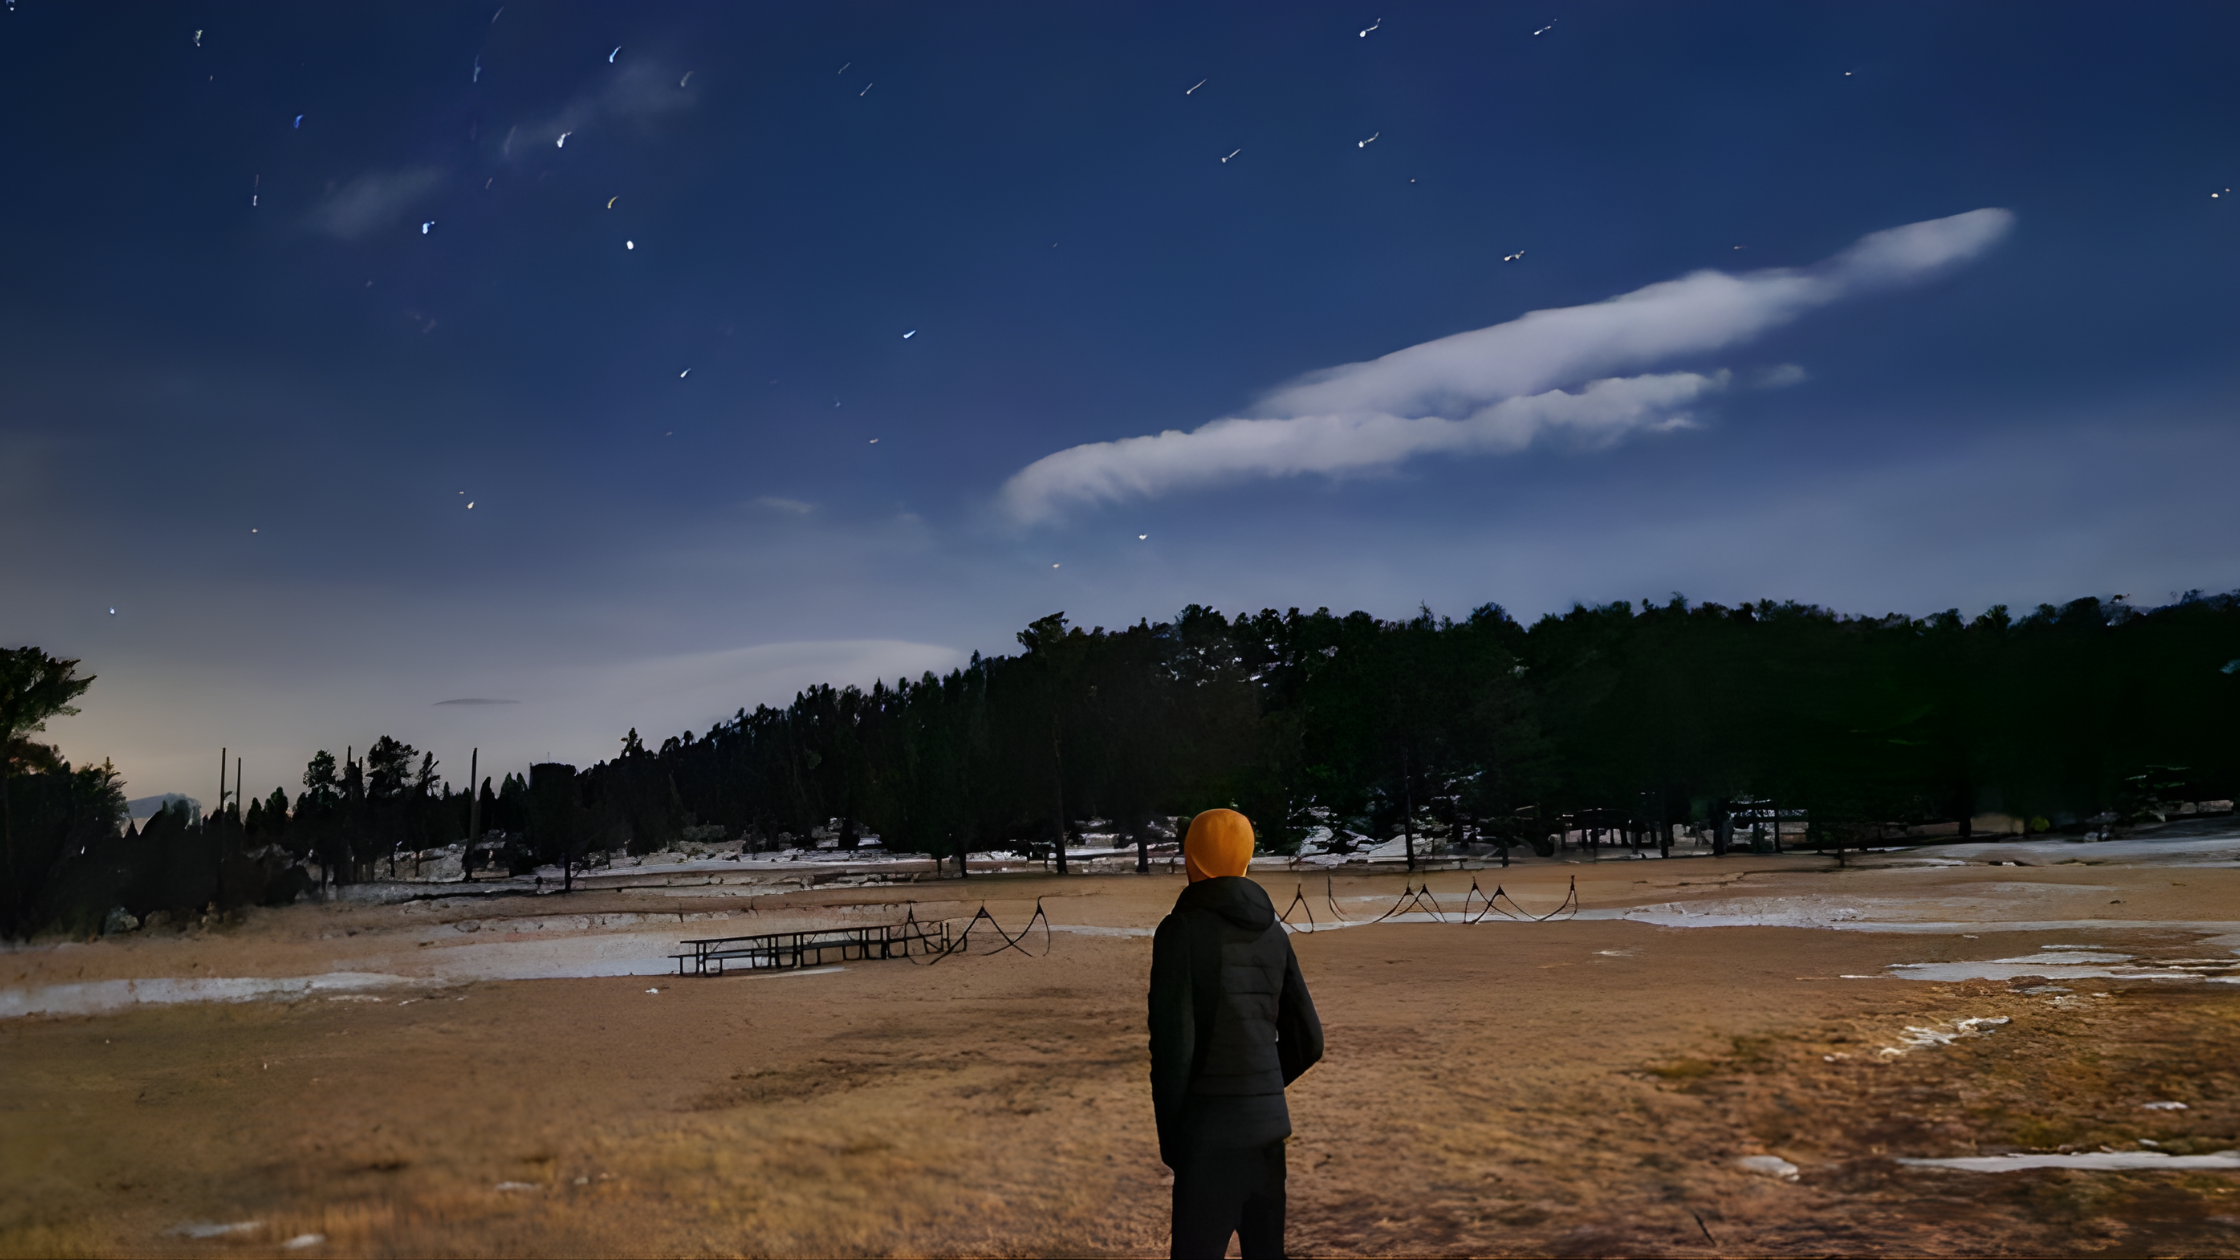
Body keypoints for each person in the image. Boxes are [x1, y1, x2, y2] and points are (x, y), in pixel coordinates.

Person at [1149, 809, 1324, 1260]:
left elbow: (1173, 1050)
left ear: (1192, 859)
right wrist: (1259, 1090)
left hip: (1208, 1140)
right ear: (1245, 861)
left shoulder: (1180, 932)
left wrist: (1175, 1142)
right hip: (1267, 1139)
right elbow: (1309, 1041)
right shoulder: (1273, 932)